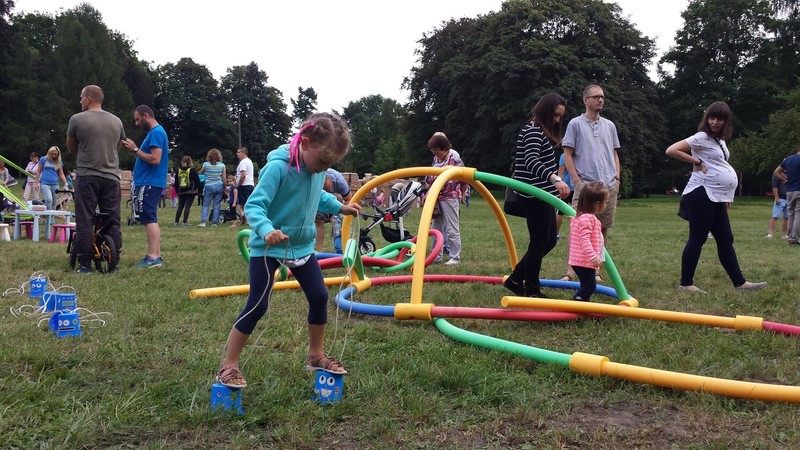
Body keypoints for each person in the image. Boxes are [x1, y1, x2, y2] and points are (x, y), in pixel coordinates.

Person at [216, 112, 361, 389]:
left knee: (319, 297)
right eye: (323, 161)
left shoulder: (316, 169)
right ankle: (229, 364)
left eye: (331, 164)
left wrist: (339, 207)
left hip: (302, 247)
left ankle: (316, 355)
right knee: (258, 304)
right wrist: (266, 229)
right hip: (268, 248)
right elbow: (255, 205)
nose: (324, 168)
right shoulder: (278, 168)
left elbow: (317, 195)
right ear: (304, 143)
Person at [665, 101, 767, 292]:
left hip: (716, 195)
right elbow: (671, 150)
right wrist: (695, 160)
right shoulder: (701, 137)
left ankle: (740, 283)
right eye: (712, 117)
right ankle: (686, 284)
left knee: (725, 238)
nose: (715, 122)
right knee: (697, 238)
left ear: (726, 121)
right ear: (707, 118)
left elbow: (718, 166)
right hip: (701, 193)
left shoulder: (719, 140)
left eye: (720, 118)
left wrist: (725, 195)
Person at [503, 93, 571, 297]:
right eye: (555, 115)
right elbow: (532, 161)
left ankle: (516, 279)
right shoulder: (533, 131)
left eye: (560, 116)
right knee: (540, 241)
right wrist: (555, 180)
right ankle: (531, 290)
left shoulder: (540, 131)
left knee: (548, 240)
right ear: (545, 110)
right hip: (533, 195)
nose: (557, 120)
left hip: (544, 195)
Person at [561, 85, 621, 283]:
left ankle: (596, 270)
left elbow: (614, 153)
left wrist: (617, 178)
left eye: (602, 97)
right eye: (596, 97)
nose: (600, 100)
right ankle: (570, 272)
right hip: (585, 185)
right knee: (577, 227)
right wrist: (577, 182)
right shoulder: (575, 124)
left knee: (602, 228)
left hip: (608, 185)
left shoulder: (610, 125)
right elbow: (567, 154)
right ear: (585, 100)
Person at [66, 85, 126, 273]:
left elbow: (71, 147)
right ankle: (113, 257)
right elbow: (118, 146)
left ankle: (85, 263)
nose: (80, 101)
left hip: (87, 175)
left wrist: (86, 156)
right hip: (111, 177)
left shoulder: (77, 119)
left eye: (82, 98)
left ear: (89, 99)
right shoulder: (117, 121)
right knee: (112, 219)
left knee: (85, 219)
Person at [122, 105, 169, 269]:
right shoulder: (156, 132)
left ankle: (153, 257)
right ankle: (156, 255)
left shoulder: (156, 133)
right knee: (150, 217)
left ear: (145, 115)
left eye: (137, 119)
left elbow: (155, 159)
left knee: (149, 218)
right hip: (150, 182)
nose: (136, 123)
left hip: (149, 182)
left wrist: (135, 149)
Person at [568, 182, 608, 301]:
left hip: (579, 261)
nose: (606, 205)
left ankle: (583, 303)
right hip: (584, 262)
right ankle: (577, 302)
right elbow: (584, 239)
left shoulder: (581, 216)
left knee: (586, 285)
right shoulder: (588, 219)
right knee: (590, 286)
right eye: (605, 202)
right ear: (597, 204)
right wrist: (593, 256)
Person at [314, 168, 352, 252]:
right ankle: (319, 251)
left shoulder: (340, 181)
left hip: (339, 200)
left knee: (340, 223)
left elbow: (349, 199)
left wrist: (341, 216)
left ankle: (345, 246)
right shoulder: (316, 178)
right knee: (319, 221)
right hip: (321, 199)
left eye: (327, 189)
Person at [774, 146, 800, 245]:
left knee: (790, 214)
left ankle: (790, 237)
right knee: (798, 214)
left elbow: (776, 172)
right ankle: (794, 238)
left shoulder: (788, 159)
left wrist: (785, 180)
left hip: (789, 191)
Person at [198, 148, 226, 227]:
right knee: (216, 205)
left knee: (206, 204)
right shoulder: (222, 165)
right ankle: (214, 222)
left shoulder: (206, 164)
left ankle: (203, 222)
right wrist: (224, 187)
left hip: (209, 185)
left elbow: (200, 172)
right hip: (219, 185)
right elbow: (224, 177)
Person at [36, 146, 67, 211]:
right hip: (45, 183)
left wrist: (66, 183)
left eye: (56, 154)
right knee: (49, 200)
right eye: (52, 154)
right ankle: (48, 217)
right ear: (49, 153)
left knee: (54, 202)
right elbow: (38, 172)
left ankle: (51, 218)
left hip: (55, 184)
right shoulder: (43, 159)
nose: (54, 155)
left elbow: (61, 174)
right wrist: (37, 183)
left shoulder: (58, 161)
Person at [174, 156, 201, 226]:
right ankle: (184, 222)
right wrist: (199, 191)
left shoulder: (179, 170)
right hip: (190, 191)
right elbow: (197, 181)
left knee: (180, 207)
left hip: (181, 191)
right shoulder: (193, 170)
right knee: (187, 206)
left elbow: (176, 182)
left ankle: (176, 221)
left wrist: (177, 191)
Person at [555, 153, 575, 240]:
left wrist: (557, 184)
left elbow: (561, 171)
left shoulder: (564, 155)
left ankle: (556, 234)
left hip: (566, 188)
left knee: (560, 212)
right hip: (578, 187)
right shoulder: (582, 154)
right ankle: (577, 235)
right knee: (577, 212)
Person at [234, 147, 255, 226]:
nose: (237, 154)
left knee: (242, 204)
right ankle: (246, 218)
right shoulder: (249, 161)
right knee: (247, 202)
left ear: (243, 153)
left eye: (238, 152)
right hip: (250, 184)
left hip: (244, 185)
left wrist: (238, 184)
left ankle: (244, 217)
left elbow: (243, 175)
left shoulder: (243, 162)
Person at [766, 172, 788, 239]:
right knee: (775, 216)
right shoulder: (777, 173)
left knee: (786, 218)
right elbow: (774, 186)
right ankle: (770, 234)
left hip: (789, 198)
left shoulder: (791, 172)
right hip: (780, 198)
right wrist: (777, 198)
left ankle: (784, 235)